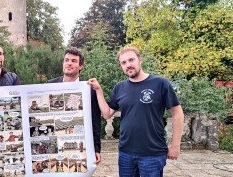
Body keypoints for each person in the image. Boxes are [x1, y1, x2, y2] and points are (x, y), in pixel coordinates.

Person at [88, 47, 184, 177]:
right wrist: (99, 90)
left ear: (140, 60)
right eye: (124, 62)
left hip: (152, 154)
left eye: (131, 60)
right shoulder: (119, 88)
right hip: (125, 153)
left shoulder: (160, 83)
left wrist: (175, 145)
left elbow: (177, 113)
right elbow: (107, 114)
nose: (128, 65)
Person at [47, 47, 102, 165]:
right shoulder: (49, 85)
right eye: (66, 60)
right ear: (63, 63)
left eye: (73, 61)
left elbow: (95, 120)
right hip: (55, 142)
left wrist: (96, 148)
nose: (69, 63)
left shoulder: (89, 89)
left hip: (80, 142)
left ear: (80, 66)